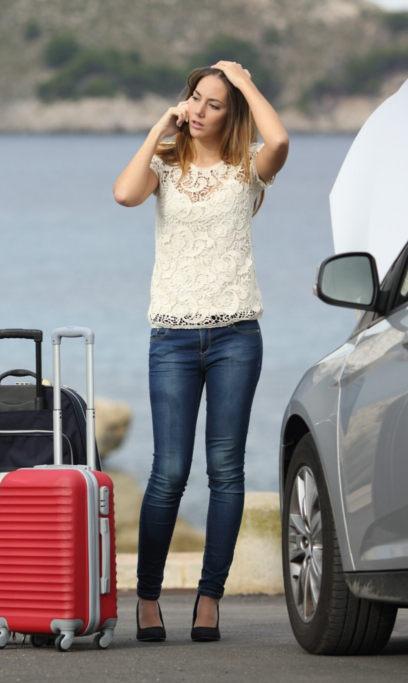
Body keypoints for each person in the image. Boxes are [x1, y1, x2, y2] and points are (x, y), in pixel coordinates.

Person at [112, 61, 289, 642]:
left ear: (231, 111)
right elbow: (123, 195)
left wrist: (243, 83)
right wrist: (158, 126)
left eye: (214, 103)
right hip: (173, 338)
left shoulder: (247, 169)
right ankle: (148, 597)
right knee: (169, 471)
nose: (199, 110)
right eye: (195, 98)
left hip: (237, 335)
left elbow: (281, 139)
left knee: (226, 470)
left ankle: (210, 598)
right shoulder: (164, 166)